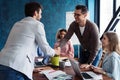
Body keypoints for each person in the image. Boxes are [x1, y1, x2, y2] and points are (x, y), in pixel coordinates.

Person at [0, 2, 60, 80]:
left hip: (3, 63)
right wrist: (56, 52)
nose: (41, 16)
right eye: (40, 13)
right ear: (35, 13)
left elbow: (20, 46)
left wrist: (31, 68)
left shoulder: (17, 24)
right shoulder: (37, 25)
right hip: (15, 69)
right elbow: (46, 49)